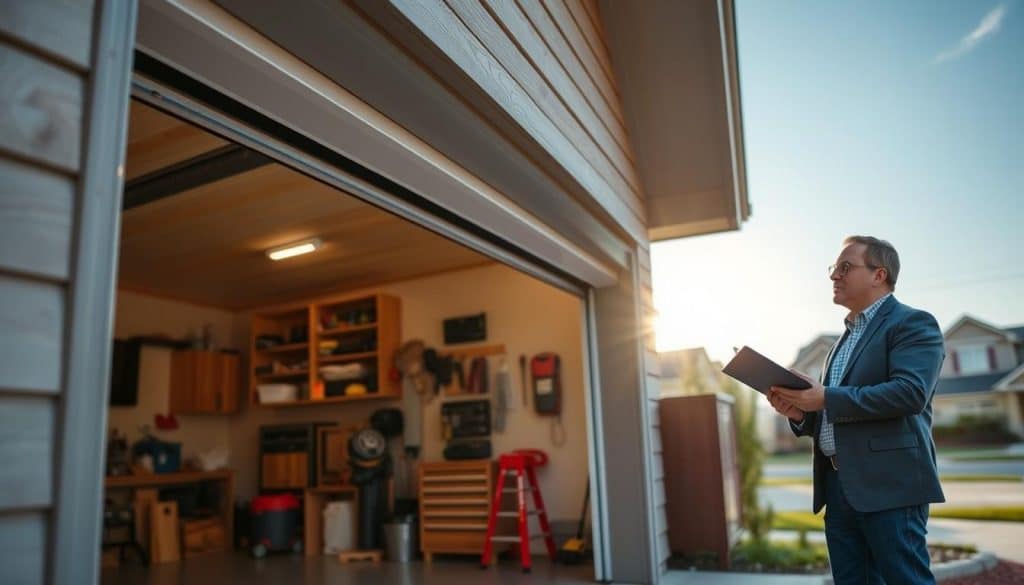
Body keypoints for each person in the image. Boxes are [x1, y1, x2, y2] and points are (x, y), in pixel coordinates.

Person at [768, 235, 945, 584]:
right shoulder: (842, 341)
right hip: (838, 487)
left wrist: (825, 398)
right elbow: (836, 412)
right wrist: (801, 414)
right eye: (834, 268)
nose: (834, 276)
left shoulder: (912, 323)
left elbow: (910, 393)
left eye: (845, 267)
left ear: (879, 275)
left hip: (890, 486)